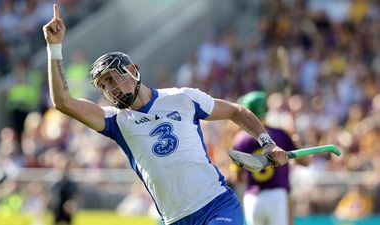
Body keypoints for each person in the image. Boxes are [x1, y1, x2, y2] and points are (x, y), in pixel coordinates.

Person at [42, 4, 288, 225]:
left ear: (132, 70)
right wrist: (54, 48)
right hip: (173, 219)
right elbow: (63, 102)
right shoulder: (116, 121)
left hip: (216, 204)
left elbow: (236, 110)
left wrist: (267, 143)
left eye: (112, 79)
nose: (110, 89)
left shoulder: (183, 97)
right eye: (103, 86)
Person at [231, 91, 310, 225]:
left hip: (253, 198)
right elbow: (305, 162)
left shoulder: (239, 140)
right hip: (277, 196)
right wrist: (296, 142)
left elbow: (237, 177)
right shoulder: (280, 134)